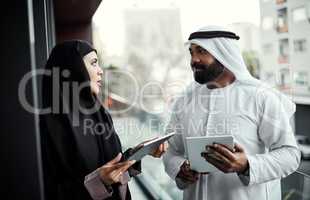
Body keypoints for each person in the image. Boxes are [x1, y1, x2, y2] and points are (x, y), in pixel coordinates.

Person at [163, 26, 301, 200]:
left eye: (202, 51)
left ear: (223, 53)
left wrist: (246, 165)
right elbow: (170, 151)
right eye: (191, 52)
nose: (193, 60)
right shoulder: (185, 100)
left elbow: (290, 155)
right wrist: (179, 169)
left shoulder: (260, 97)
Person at [40, 40, 167, 200]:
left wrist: (138, 153)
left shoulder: (100, 114)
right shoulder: (51, 126)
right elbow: (50, 190)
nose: (100, 71)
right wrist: (98, 182)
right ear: (73, 68)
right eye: (94, 64)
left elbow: (112, 166)